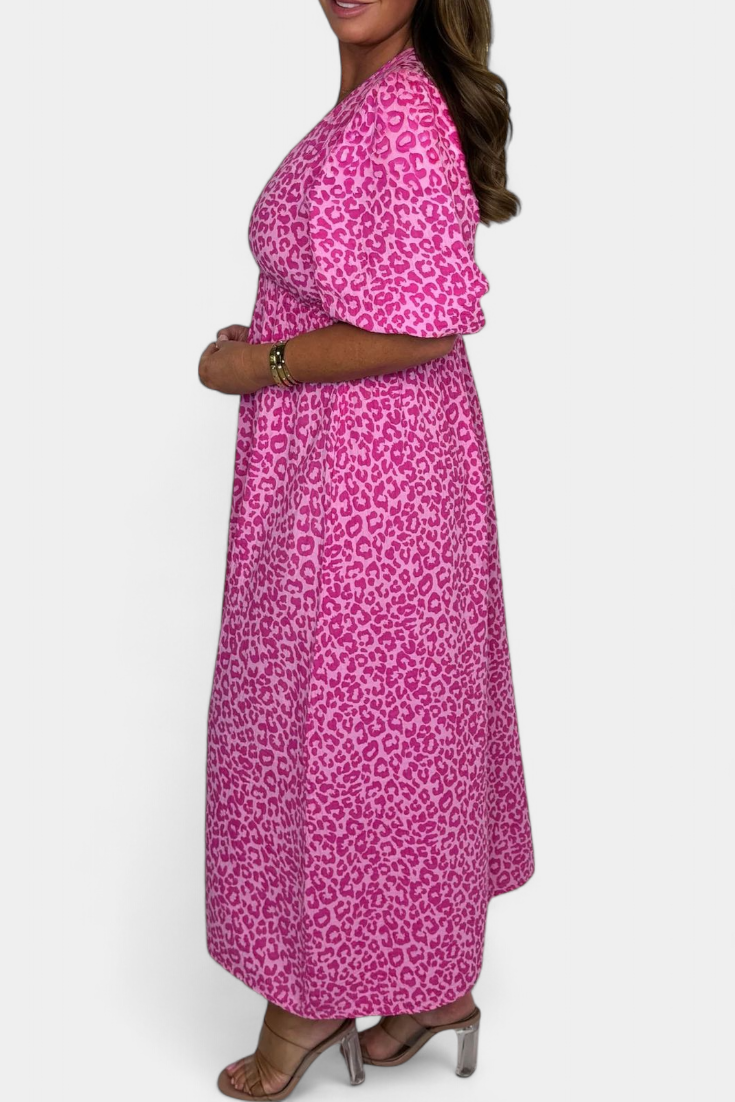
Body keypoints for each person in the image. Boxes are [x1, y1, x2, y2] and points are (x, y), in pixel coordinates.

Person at [199, 1, 535, 1098]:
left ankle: (310, 999)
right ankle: (430, 986)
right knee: (375, 721)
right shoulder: (372, 102)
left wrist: (264, 366)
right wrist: (272, 337)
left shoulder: (402, 113)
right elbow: (365, 286)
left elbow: (425, 322)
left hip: (371, 481)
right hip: (349, 463)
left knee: (340, 726)